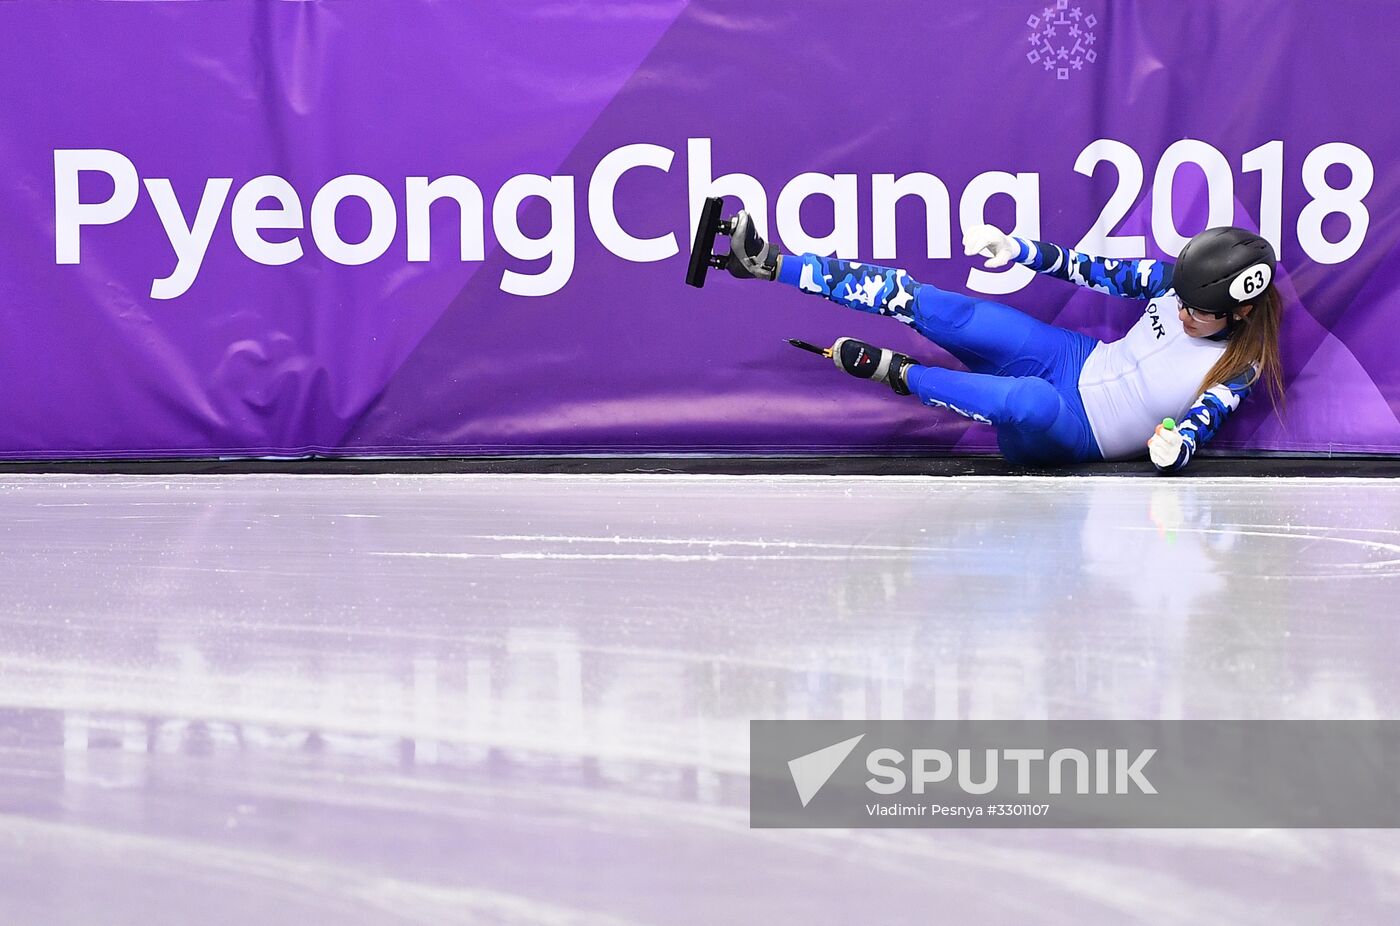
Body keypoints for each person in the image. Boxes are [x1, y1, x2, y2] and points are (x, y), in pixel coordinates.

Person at [715, 214, 1284, 472]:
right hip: (1075, 357)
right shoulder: (1178, 287)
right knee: (943, 307)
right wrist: (1022, 250)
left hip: (1076, 429)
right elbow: (1096, 270)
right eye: (1180, 300)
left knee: (1024, 402)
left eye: (1200, 312)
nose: (1182, 313)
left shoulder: (1241, 368)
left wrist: (1173, 450)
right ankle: (767, 264)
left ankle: (904, 375)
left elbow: (1199, 424)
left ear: (1243, 309)